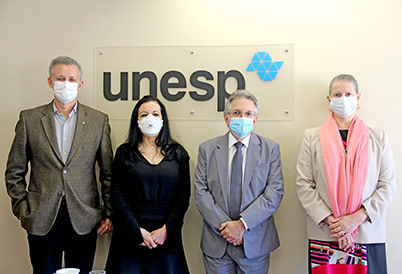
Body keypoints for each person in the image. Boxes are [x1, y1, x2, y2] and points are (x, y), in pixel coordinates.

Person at [5, 56, 113, 274]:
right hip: (41, 217)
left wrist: (108, 211)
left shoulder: (98, 120)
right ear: (50, 81)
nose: (66, 84)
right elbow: (14, 171)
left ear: (80, 84)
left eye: (71, 79)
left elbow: (108, 172)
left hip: (83, 217)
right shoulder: (30, 119)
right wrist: (23, 209)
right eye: (60, 78)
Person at [296, 74, 397, 274]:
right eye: (337, 94)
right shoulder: (311, 137)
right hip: (326, 233)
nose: (343, 98)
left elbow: (388, 185)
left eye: (349, 94)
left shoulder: (378, 137)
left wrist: (356, 218)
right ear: (329, 100)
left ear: (358, 99)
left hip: (367, 232)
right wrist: (331, 220)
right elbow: (304, 184)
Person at [194, 90, 284, 274]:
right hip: (217, 242)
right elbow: (200, 192)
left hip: (254, 242)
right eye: (236, 113)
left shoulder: (270, 149)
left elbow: (274, 191)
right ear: (226, 118)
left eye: (248, 114)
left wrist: (242, 225)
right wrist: (228, 229)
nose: (243, 118)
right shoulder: (207, 149)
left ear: (255, 118)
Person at [105, 95, 191, 274]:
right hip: (130, 234)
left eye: (155, 113)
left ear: (163, 119)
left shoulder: (178, 153)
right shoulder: (124, 152)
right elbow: (116, 193)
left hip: (166, 236)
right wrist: (136, 230)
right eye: (144, 114)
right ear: (136, 120)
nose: (150, 118)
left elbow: (183, 196)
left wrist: (166, 230)